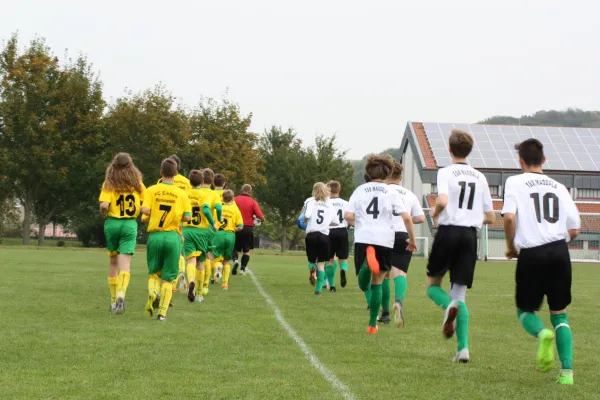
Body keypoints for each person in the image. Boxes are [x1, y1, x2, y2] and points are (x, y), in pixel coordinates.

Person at [502, 138, 580, 385]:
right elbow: (575, 228)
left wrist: (510, 246)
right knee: (560, 314)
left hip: (532, 254)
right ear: (544, 160)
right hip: (559, 252)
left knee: (525, 311)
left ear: (521, 161)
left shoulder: (514, 181)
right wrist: (556, 244)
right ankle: (567, 372)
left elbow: (509, 218)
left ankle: (542, 333)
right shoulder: (559, 187)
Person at [426, 129, 495, 362]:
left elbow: (443, 201)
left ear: (449, 149)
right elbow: (491, 216)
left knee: (432, 285)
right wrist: (472, 217)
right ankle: (463, 349)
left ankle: (448, 307)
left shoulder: (445, 172)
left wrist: (435, 213)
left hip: (449, 231)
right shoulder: (480, 177)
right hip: (469, 236)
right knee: (461, 293)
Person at [344, 155, 417, 334]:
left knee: (363, 284)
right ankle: (372, 325)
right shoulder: (391, 192)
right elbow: (407, 217)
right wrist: (413, 240)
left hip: (363, 239)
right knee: (378, 283)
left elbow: (347, 216)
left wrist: (359, 221)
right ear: (388, 172)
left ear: (368, 172)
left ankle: (367, 266)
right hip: (385, 241)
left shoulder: (360, 190)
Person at [141, 158, 191, 321]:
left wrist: (145, 209)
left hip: (155, 235)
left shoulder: (151, 190)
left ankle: (153, 293)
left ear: (161, 172)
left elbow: (145, 210)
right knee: (168, 277)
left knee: (154, 274)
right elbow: (188, 218)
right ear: (176, 173)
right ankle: (162, 313)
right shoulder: (182, 193)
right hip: (173, 236)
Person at [377, 162, 425, 327]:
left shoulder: (381, 192)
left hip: (383, 235)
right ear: (401, 177)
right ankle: (398, 302)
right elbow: (420, 218)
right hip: (403, 235)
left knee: (383, 274)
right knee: (400, 273)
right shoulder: (409, 194)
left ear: (386, 174)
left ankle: (385, 313)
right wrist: (407, 219)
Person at [99, 153, 146, 314]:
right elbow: (146, 204)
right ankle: (121, 292)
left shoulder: (109, 183)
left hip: (112, 224)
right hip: (129, 224)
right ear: (131, 166)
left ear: (113, 166)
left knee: (113, 263)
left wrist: (103, 214)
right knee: (125, 265)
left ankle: (113, 301)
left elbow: (104, 205)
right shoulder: (137, 184)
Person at [183, 169, 220, 303]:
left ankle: (191, 280)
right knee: (201, 263)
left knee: (190, 260)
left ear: (189, 181)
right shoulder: (207, 194)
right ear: (203, 181)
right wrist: (214, 223)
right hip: (203, 231)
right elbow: (207, 209)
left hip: (187, 230)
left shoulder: (184, 193)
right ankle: (199, 294)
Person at [157, 155, 191, 293]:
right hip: (180, 218)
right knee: (179, 249)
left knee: (165, 255)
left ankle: (169, 281)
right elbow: (189, 199)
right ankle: (181, 270)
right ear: (178, 169)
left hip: (163, 222)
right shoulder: (186, 182)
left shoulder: (161, 181)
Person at [304, 182, 338, 294]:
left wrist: (305, 221)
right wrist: (326, 224)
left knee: (311, 260)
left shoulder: (311, 202)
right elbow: (336, 221)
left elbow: (307, 215)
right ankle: (318, 290)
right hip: (324, 236)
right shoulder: (329, 204)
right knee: (322, 264)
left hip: (311, 235)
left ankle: (312, 270)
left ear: (314, 190)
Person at [195, 168, 222, 297]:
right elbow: (218, 208)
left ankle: (195, 282)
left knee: (194, 258)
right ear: (212, 181)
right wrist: (218, 220)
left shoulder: (195, 192)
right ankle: (205, 285)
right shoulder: (213, 194)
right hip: (209, 227)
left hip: (194, 228)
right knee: (207, 255)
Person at [211, 189, 244, 290]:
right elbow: (240, 226)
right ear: (233, 199)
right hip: (230, 235)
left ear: (222, 198)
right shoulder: (235, 210)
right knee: (226, 261)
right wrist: (233, 228)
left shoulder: (217, 209)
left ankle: (217, 268)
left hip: (219, 234)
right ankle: (225, 284)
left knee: (215, 258)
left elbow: (212, 224)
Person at [232, 184, 264, 275]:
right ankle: (242, 269)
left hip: (236, 227)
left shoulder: (234, 199)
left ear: (241, 190)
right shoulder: (253, 202)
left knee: (233, 247)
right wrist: (263, 220)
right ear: (250, 192)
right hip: (248, 228)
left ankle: (235, 261)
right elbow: (260, 215)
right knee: (246, 250)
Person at [325, 181, 351, 292]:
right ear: (339, 190)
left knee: (329, 260)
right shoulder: (346, 203)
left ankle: (332, 286)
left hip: (328, 232)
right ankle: (343, 270)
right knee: (343, 259)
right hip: (342, 231)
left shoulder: (324, 203)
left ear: (328, 190)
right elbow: (349, 218)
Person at [210, 173, 227, 284]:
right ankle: (220, 267)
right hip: (226, 227)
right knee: (222, 254)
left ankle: (215, 270)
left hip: (213, 226)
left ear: (212, 183)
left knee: (211, 253)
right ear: (224, 184)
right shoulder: (228, 195)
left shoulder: (210, 194)